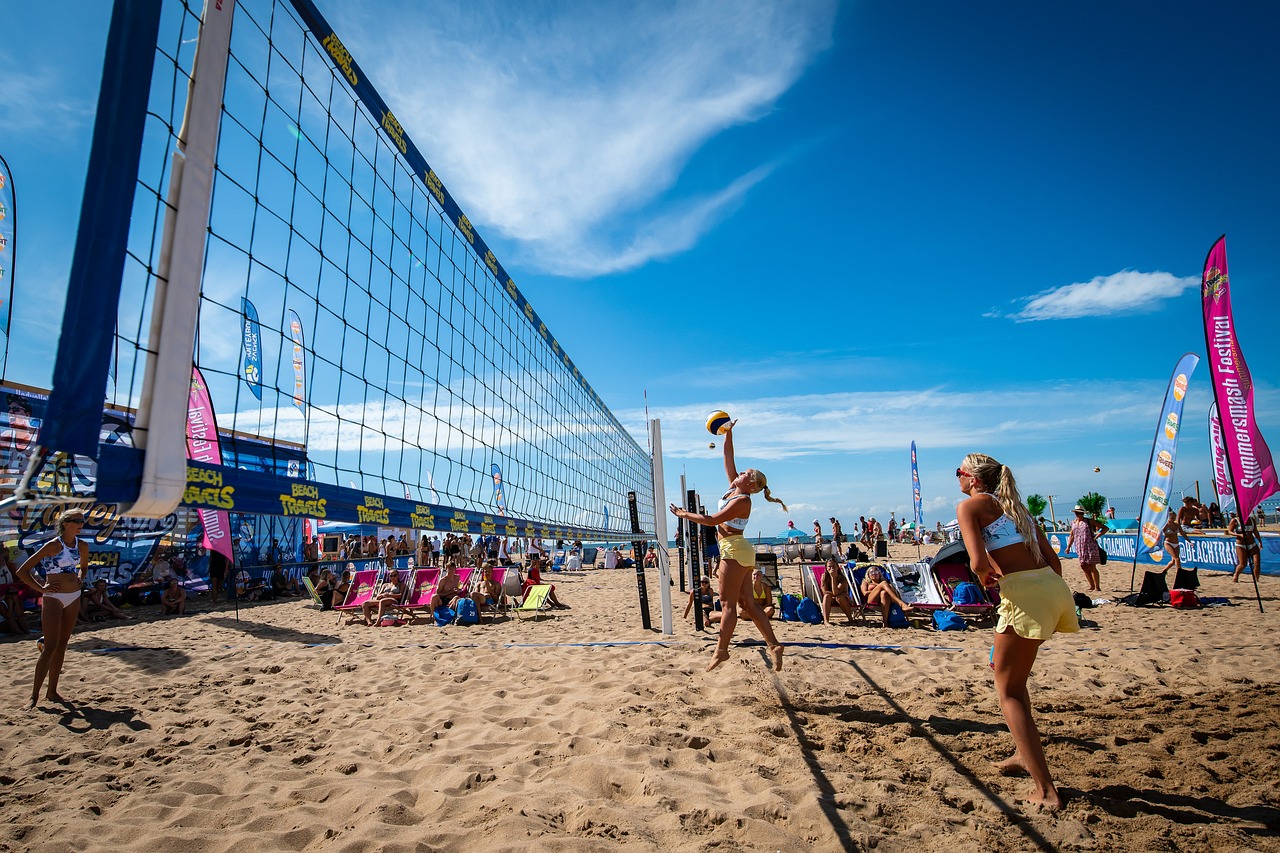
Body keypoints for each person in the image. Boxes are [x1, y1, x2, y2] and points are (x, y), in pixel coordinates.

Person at [956, 453, 1078, 810]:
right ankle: (1022, 754)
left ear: (974, 479)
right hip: (1052, 588)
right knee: (1010, 675)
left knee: (1007, 689)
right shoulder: (1016, 507)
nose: (957, 479)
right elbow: (1053, 562)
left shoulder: (970, 507)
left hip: (1025, 594)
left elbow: (977, 563)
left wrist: (987, 575)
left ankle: (1046, 791)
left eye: (959, 473)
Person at [670, 420, 786, 672]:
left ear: (752, 485)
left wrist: (684, 514)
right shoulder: (735, 487)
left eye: (746, 473)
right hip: (738, 550)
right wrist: (728, 433)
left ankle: (721, 651)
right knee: (748, 603)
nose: (740, 472)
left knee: (728, 605)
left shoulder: (742, 500)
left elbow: (711, 521)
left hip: (734, 550)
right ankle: (774, 645)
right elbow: (727, 455)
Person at [15, 509, 90, 707]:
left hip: (73, 596)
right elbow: (23, 570)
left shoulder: (82, 545)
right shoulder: (54, 545)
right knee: (50, 647)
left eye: (83, 520)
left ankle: (52, 692)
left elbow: (84, 567)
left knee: (62, 645)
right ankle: (34, 696)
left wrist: (81, 579)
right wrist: (41, 588)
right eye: (78, 520)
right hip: (53, 597)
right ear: (66, 523)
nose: (82, 524)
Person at [1066, 505, 1107, 592]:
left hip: (1090, 547)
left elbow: (1105, 528)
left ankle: (1097, 587)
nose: (1078, 514)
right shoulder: (1073, 522)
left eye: (1080, 513)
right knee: (1083, 566)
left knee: (1092, 566)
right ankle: (1091, 585)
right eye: (1077, 513)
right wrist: (1068, 547)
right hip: (1079, 547)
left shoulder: (1089, 521)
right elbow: (1072, 535)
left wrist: (1097, 536)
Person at [1228, 511, 1261, 583]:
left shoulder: (1252, 519)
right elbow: (1229, 531)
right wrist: (1239, 535)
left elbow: (1255, 531)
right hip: (1241, 544)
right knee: (1243, 564)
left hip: (1252, 543)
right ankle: (1236, 575)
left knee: (1257, 563)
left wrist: (1260, 541)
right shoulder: (1235, 520)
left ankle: (1256, 580)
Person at [820, 558, 855, 625]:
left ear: (837, 567)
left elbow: (836, 593)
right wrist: (835, 594)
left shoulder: (842, 579)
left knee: (839, 597)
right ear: (826, 568)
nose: (831, 568)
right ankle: (826, 621)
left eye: (833, 566)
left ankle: (851, 619)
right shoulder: (824, 577)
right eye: (829, 566)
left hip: (842, 599)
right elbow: (824, 592)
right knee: (826, 596)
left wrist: (833, 578)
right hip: (831, 598)